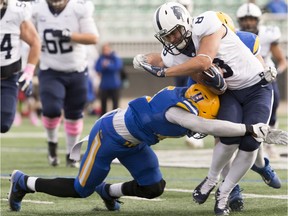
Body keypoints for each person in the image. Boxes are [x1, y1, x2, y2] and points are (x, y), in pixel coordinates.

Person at [8, 83, 287, 212]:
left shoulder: (190, 95)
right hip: (107, 136)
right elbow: (212, 128)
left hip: (136, 141)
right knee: (81, 190)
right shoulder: (176, 114)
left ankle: (108, 191)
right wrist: (249, 129)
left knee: (154, 187)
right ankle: (24, 182)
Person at [133, 2, 280, 215]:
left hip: (256, 88)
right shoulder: (178, 50)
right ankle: (220, 184)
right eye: (168, 36)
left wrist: (269, 69)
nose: (173, 39)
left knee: (251, 142)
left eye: (175, 33)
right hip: (228, 93)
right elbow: (169, 61)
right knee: (226, 136)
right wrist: (144, 59)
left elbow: (204, 61)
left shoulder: (224, 29)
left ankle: (242, 179)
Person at [31, 0, 99, 167]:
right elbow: (28, 37)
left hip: (76, 69)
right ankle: (52, 143)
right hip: (50, 69)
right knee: (51, 109)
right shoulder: (36, 8)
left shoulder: (79, 8)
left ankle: (71, 154)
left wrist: (69, 35)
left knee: (74, 113)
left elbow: (93, 37)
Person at [236, 2, 287, 158]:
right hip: (244, 75)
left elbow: (282, 60)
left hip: (265, 74)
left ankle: (269, 141)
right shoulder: (234, 35)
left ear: (258, 20)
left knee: (274, 104)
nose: (248, 22)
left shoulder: (267, 34)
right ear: (239, 21)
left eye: (252, 19)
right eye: (245, 19)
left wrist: (275, 72)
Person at [0, 0, 41, 133]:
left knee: (4, 123)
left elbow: (35, 41)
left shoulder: (16, 11)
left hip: (8, 77)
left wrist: (28, 72)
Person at [95, 42, 123, 116]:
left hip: (114, 85)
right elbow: (97, 68)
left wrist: (108, 65)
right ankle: (102, 119)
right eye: (104, 49)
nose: (105, 51)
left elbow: (117, 67)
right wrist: (103, 67)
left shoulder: (115, 57)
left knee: (115, 105)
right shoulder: (101, 58)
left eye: (107, 49)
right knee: (103, 104)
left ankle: (114, 119)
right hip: (104, 85)